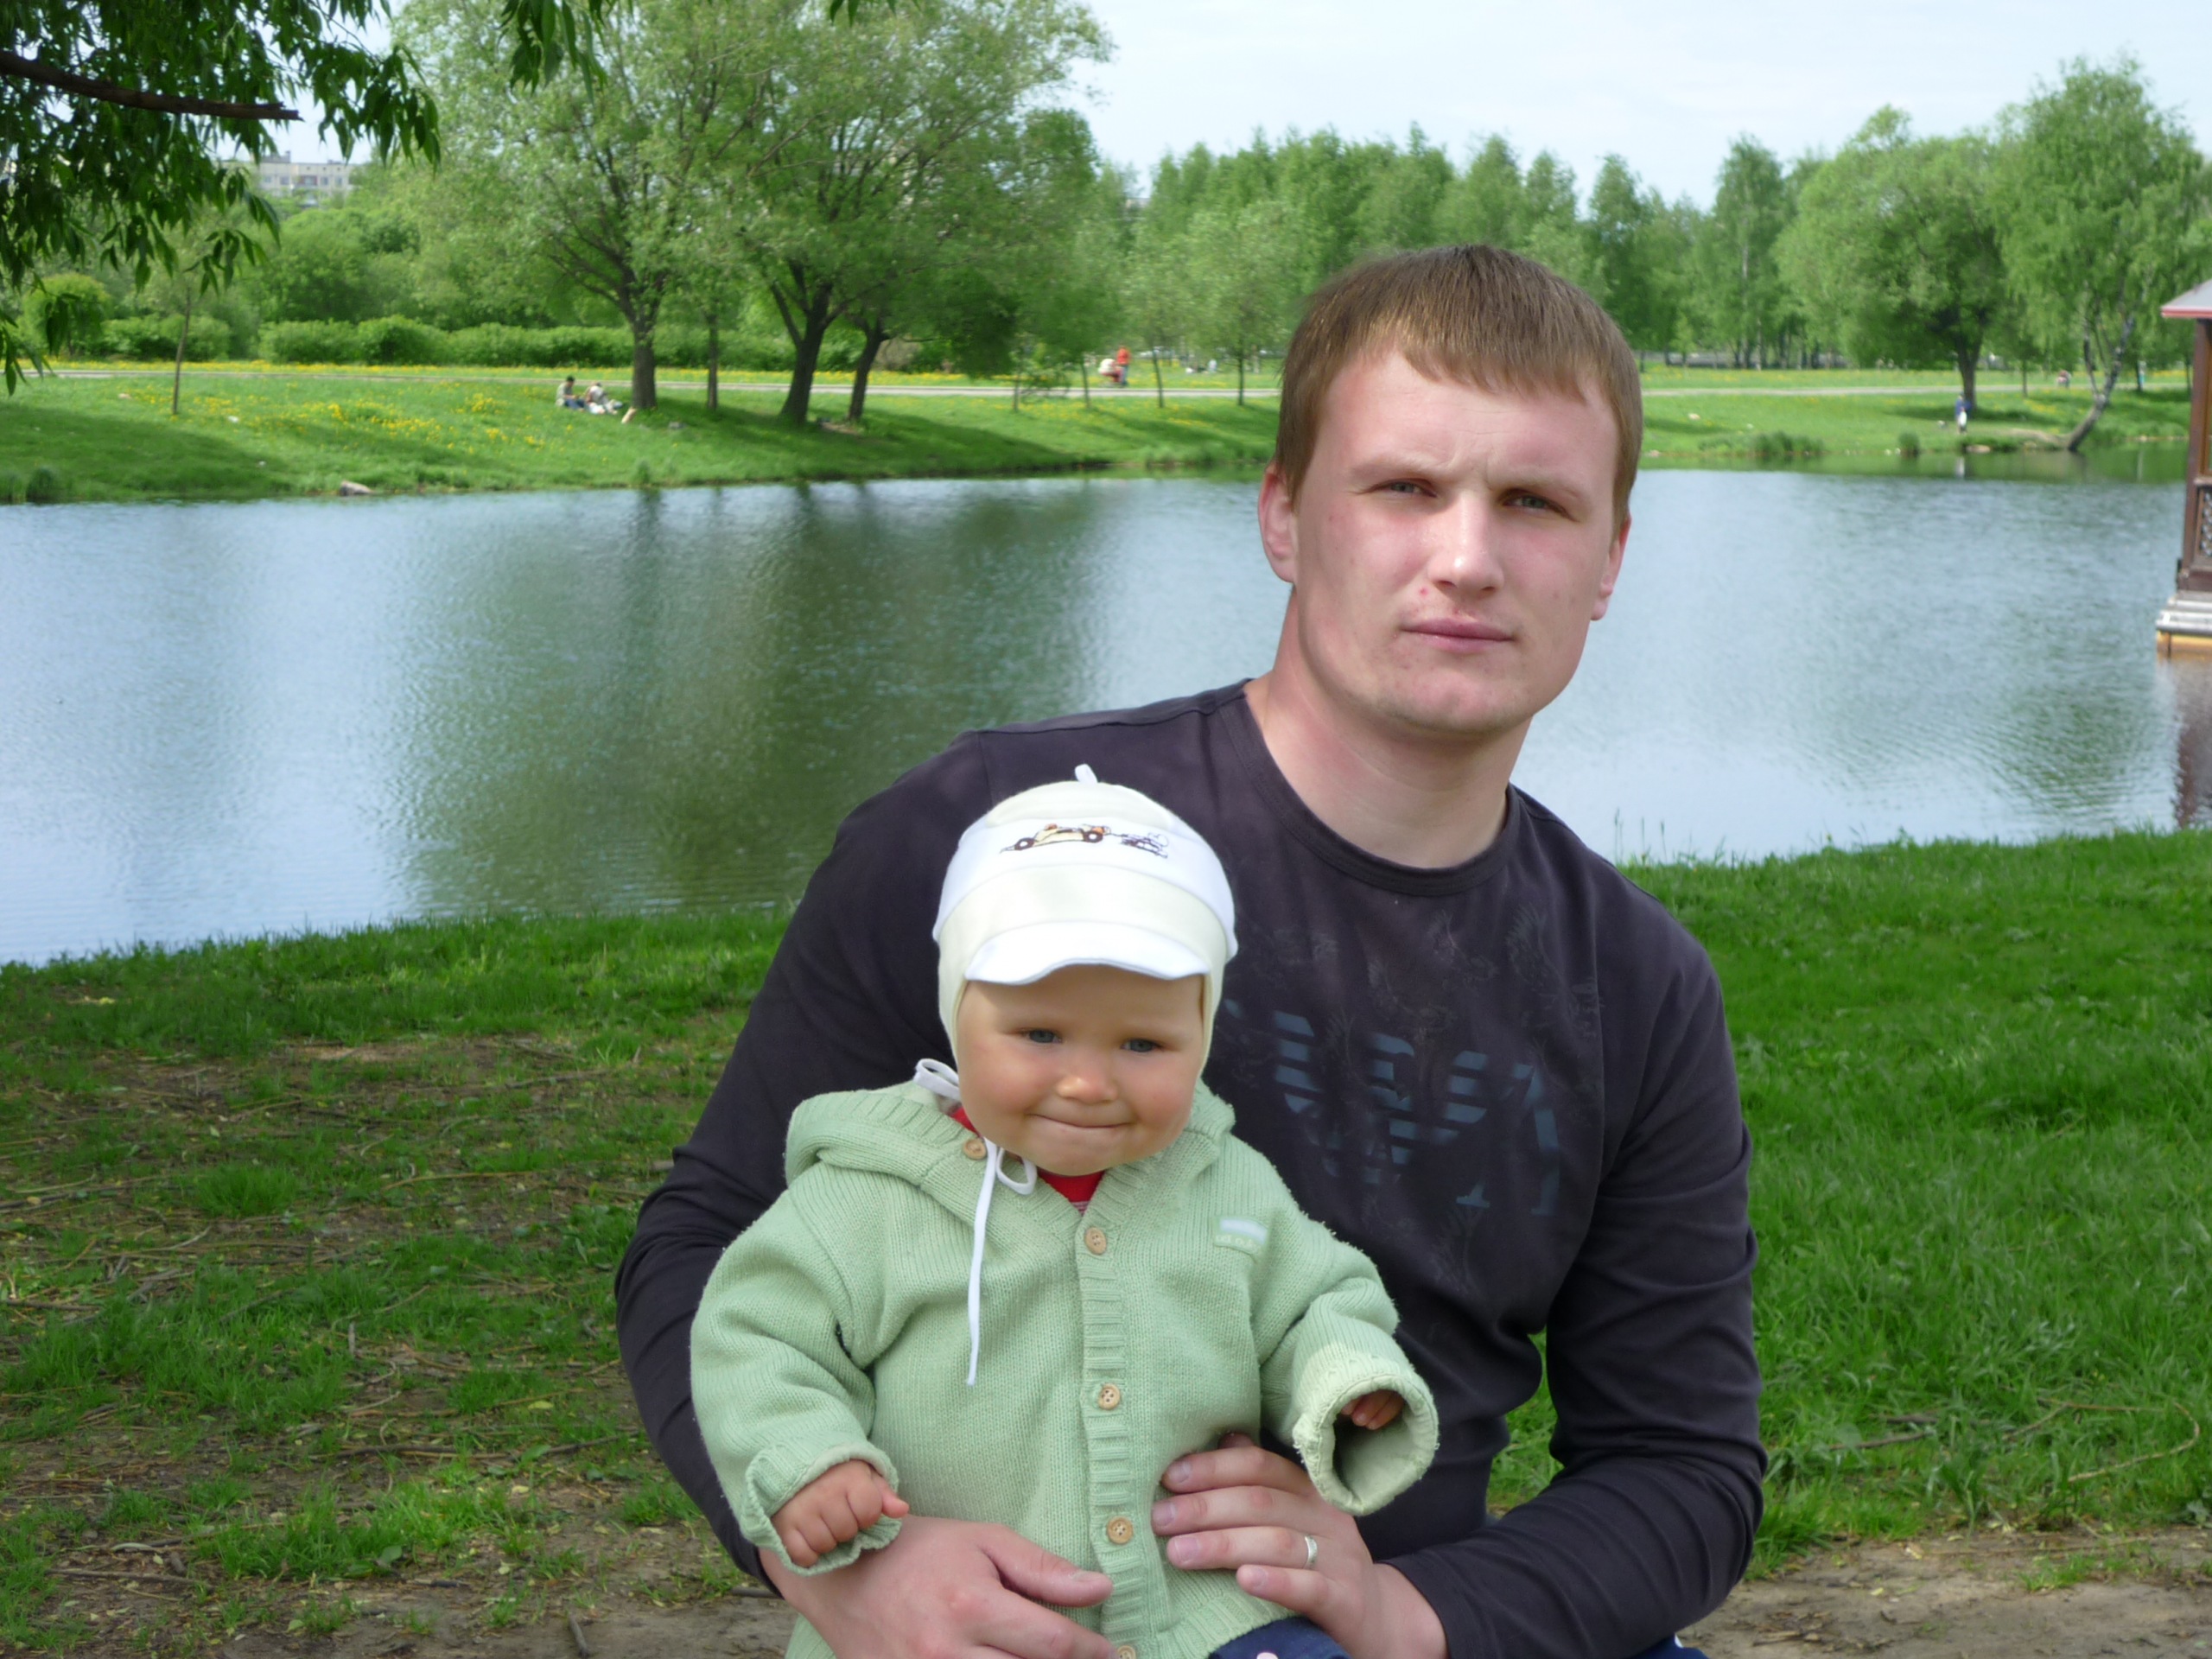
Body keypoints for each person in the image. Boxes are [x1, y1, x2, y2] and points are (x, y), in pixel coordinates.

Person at [619, 245, 1761, 1659]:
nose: (1466, 558)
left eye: (1535, 503)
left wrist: (1410, 1612)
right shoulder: (994, 844)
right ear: (1284, 515)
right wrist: (841, 1569)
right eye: (1404, 488)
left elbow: (1681, 1465)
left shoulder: (1635, 986)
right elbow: (706, 1245)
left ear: (1610, 560)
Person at [690, 775, 1440, 1659]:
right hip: (951, 1623)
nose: (1087, 1082)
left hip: (1202, 1612)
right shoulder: (866, 1199)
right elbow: (757, 1336)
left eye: (1142, 1044)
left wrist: (1344, 1375)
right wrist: (807, 1462)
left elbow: (1311, 1299)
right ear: (956, 1013)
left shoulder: (1225, 1185)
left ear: (1201, 1038)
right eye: (1040, 1035)